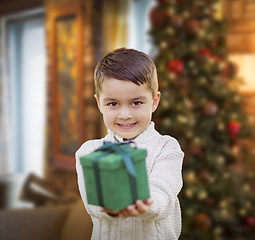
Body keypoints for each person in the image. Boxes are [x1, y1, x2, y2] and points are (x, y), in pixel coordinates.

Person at [75, 48, 184, 240]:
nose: (125, 115)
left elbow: (163, 195)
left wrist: (146, 203)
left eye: (136, 103)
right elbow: (94, 206)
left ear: (154, 101)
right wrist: (109, 206)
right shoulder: (88, 152)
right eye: (113, 104)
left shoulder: (167, 148)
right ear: (99, 104)